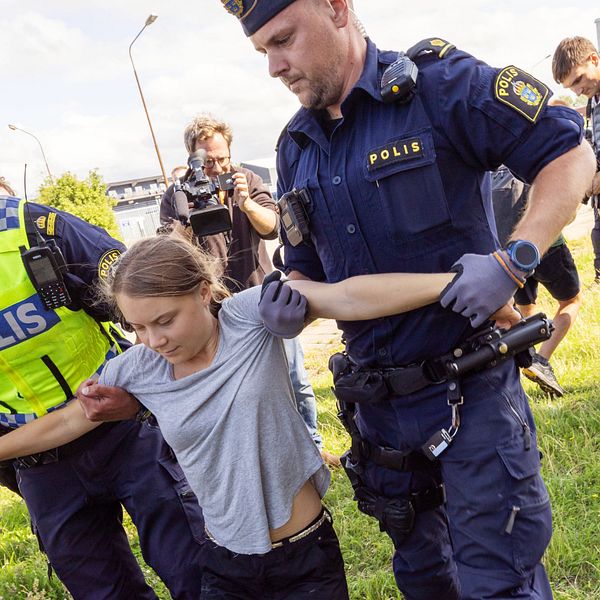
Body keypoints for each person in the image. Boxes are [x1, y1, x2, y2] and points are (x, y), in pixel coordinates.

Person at [220, 2, 597, 599]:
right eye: (262, 50)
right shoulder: (296, 147)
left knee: (499, 582)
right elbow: (307, 275)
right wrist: (289, 305)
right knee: (425, 582)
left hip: (471, 391)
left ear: (337, 8)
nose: (274, 66)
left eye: (284, 40)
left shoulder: (439, 87)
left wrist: (517, 257)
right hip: (380, 413)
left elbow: (570, 154)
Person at [0, 234, 513, 599]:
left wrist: (458, 281)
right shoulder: (141, 366)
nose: (154, 340)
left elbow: (349, 296)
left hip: (304, 559)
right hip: (223, 564)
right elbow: (70, 420)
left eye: (164, 321)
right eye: (137, 327)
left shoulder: (250, 317)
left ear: (203, 291)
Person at [0, 179, 205, 599]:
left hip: (124, 425)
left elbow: (145, 300)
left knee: (195, 569)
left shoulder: (34, 227)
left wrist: (145, 395)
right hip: (38, 459)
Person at [160, 113, 334, 462]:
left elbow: (274, 229)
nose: (215, 167)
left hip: (257, 296)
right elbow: (170, 252)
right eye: (206, 161)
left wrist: (246, 203)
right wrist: (190, 217)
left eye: (222, 158)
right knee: (235, 388)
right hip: (213, 308)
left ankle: (311, 446)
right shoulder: (177, 195)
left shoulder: (248, 180)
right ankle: (259, 454)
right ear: (191, 158)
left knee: (294, 378)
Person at [491, 163, 582, 397]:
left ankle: (528, 357)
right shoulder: (535, 150)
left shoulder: (490, 164)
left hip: (509, 251)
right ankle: (541, 360)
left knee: (525, 308)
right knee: (571, 301)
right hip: (546, 244)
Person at [552, 36, 600, 284]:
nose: (577, 91)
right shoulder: (593, 101)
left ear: (594, 59)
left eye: (578, 79)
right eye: (571, 87)